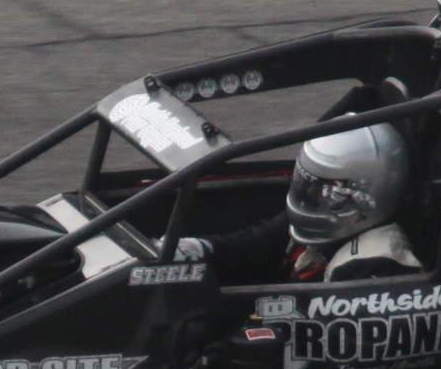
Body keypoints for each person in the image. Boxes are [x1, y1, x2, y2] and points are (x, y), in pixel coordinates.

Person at [177, 120, 421, 283]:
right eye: (307, 181)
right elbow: (257, 241)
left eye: (324, 189)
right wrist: (200, 248)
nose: (309, 194)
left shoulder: (372, 266)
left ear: (364, 197)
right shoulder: (319, 218)